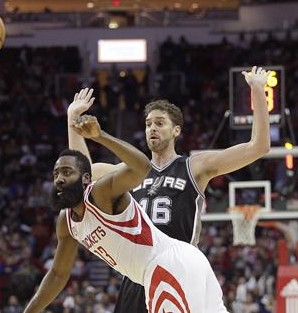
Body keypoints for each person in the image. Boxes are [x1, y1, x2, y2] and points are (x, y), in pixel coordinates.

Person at [66, 66, 271, 312]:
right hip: (137, 274)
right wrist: (72, 119)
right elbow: (81, 176)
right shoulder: (129, 171)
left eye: (160, 123)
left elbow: (258, 147)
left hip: (178, 270)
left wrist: (258, 91)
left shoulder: (194, 166)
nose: (152, 128)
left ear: (176, 131)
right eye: (148, 123)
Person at [23, 115, 228, 313]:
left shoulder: (100, 193)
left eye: (67, 172)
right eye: (56, 174)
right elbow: (58, 274)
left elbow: (141, 167)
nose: (59, 179)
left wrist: (100, 136)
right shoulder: (66, 222)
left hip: (166, 265)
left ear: (86, 179)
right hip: (183, 261)